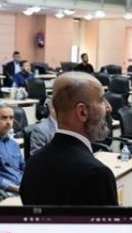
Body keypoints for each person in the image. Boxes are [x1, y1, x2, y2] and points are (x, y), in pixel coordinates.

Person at [20, 72, 117, 206]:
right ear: (82, 112)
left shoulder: (33, 164)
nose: (108, 107)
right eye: (101, 101)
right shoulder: (98, 174)